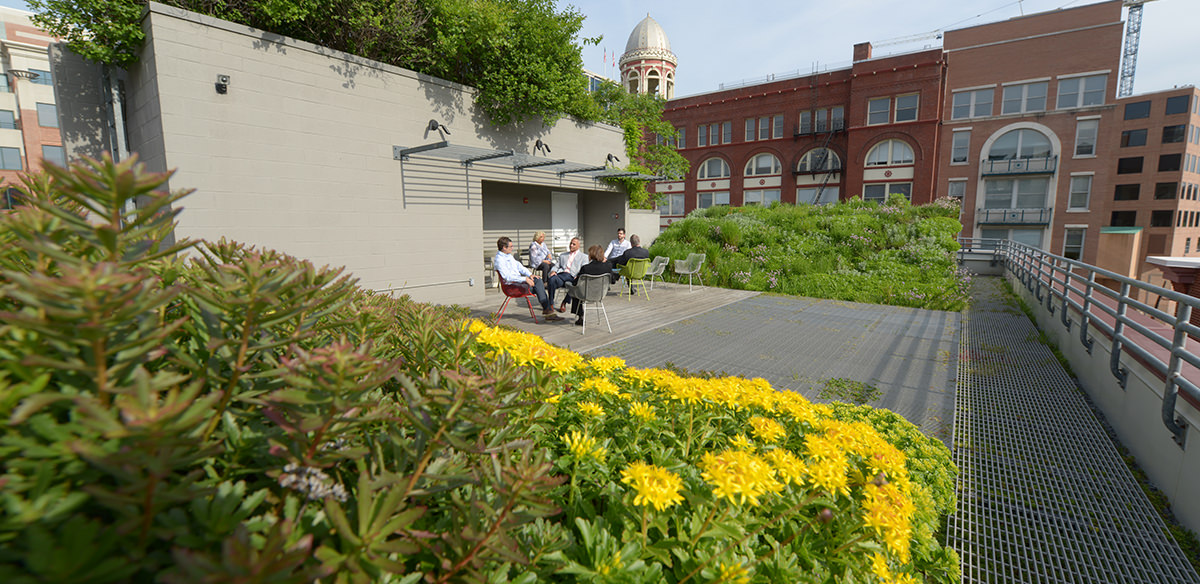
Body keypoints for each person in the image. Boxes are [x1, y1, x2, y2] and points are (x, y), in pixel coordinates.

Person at [494, 236, 562, 321]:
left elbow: (520, 267)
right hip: (512, 286)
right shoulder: (499, 260)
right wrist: (525, 279)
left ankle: (547, 309)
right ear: (504, 247)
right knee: (538, 286)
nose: (512, 248)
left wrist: (530, 275)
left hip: (519, 283)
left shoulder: (508, 256)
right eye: (511, 246)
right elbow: (507, 277)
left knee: (537, 279)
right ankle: (547, 310)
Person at [565, 245, 612, 326]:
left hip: (585, 294)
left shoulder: (586, 268)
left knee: (574, 290)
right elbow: (613, 280)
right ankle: (580, 316)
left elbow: (575, 283)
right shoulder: (608, 266)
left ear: (591, 255)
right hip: (600, 294)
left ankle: (580, 316)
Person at [546, 236, 586, 311]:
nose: (571, 245)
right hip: (562, 276)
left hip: (573, 278)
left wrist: (578, 276)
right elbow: (556, 266)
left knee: (574, 285)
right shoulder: (563, 255)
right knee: (552, 279)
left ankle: (564, 302)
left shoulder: (584, 257)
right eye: (570, 243)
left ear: (578, 246)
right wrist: (553, 271)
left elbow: (584, 270)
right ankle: (550, 303)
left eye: (574, 244)